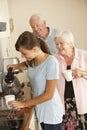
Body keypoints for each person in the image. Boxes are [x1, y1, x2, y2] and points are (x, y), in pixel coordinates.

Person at [8, 31, 63, 130]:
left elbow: (49, 94)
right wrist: (15, 66)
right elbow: (25, 65)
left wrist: (24, 104)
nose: (22, 56)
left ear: (35, 49)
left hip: (51, 111)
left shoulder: (51, 62)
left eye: (24, 53)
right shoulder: (32, 61)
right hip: (40, 109)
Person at [54, 30, 87, 130]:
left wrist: (81, 73)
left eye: (61, 43)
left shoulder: (83, 55)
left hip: (83, 101)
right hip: (64, 103)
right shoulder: (54, 59)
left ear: (70, 43)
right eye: (56, 44)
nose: (58, 46)